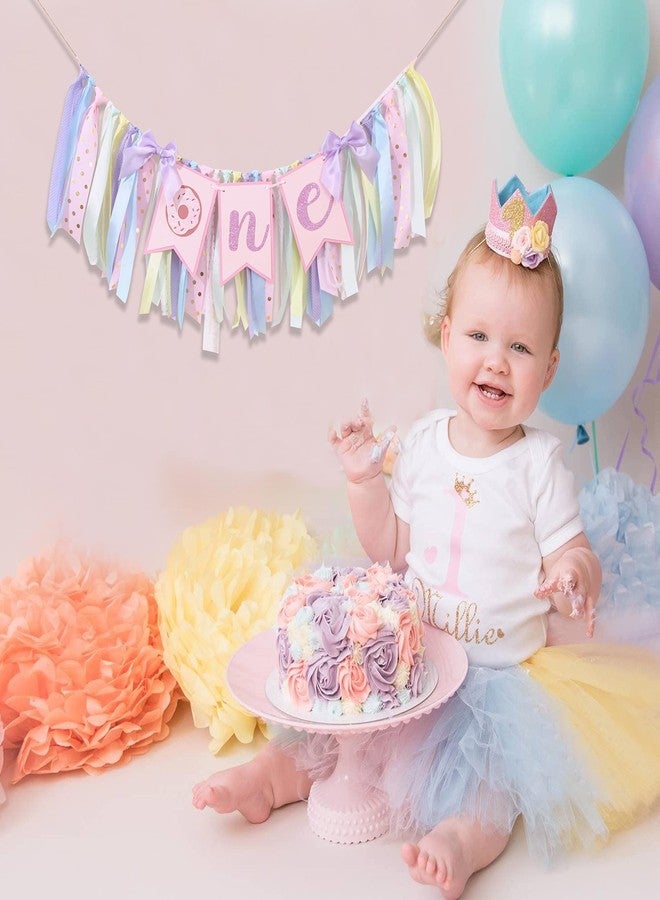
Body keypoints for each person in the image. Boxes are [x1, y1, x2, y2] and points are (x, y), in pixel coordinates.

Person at [193, 178, 660, 899]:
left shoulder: (540, 463)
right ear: (446, 335)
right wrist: (363, 482)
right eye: (477, 336)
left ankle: (461, 844)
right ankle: (270, 781)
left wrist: (573, 572)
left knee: (491, 783)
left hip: (498, 681)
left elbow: (574, 550)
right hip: (412, 661)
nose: (495, 361)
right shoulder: (420, 445)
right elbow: (390, 551)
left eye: (520, 346)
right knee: (343, 735)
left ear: (551, 369)